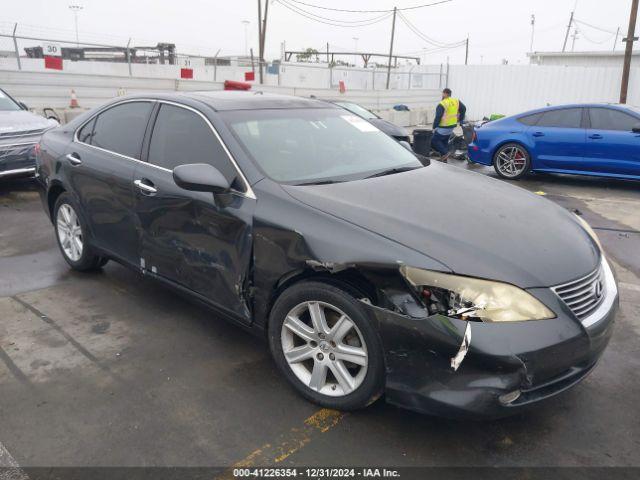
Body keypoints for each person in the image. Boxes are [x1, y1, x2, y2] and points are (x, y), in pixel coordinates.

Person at [431, 88, 466, 162]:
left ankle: (445, 153)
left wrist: (434, 127)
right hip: (452, 126)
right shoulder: (456, 101)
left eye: (443, 93)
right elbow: (463, 108)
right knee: (444, 142)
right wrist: (460, 119)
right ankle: (444, 160)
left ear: (444, 93)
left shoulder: (442, 103)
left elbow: (438, 116)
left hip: (443, 126)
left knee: (434, 141)